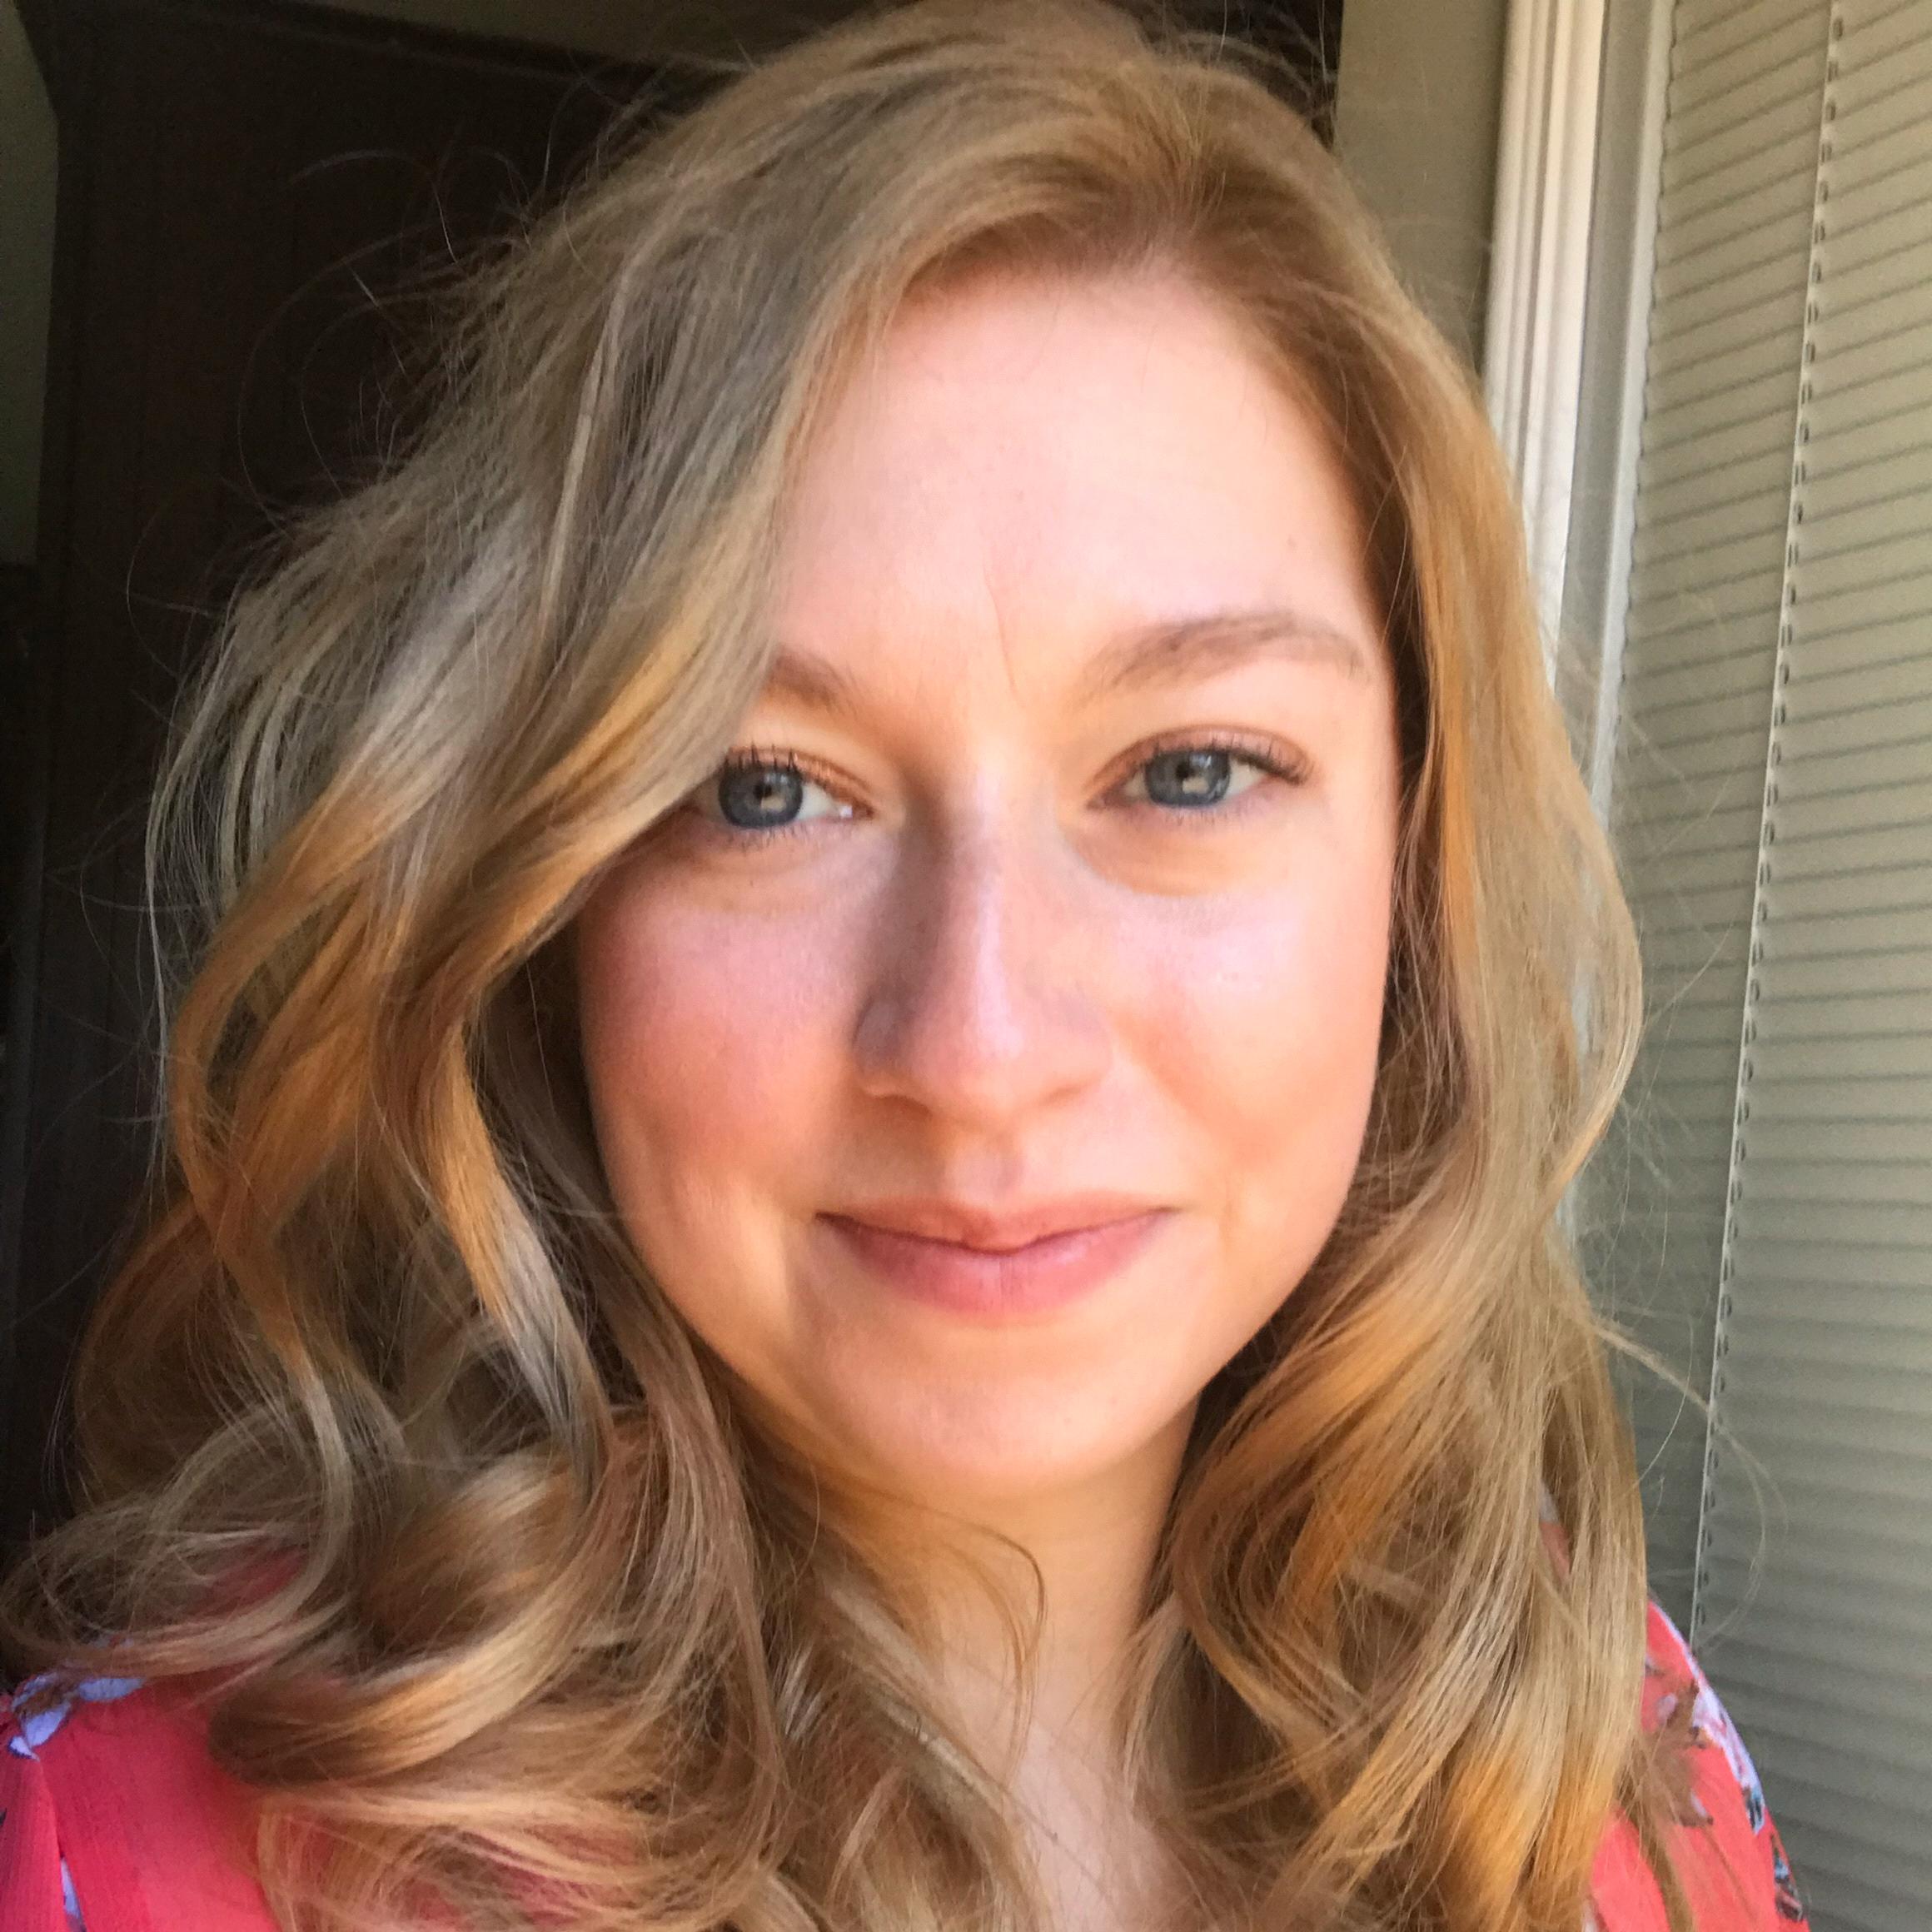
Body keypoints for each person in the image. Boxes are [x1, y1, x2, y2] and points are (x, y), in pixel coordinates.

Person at [0, 2, 1810, 1928]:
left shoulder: (1611, 1760)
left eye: (1188, 769)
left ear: (1412, 870)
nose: (977, 1042)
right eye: (762, 788)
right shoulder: (126, 1859)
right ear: (546, 909)